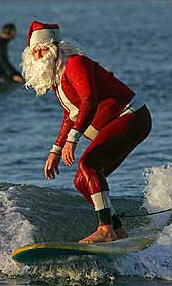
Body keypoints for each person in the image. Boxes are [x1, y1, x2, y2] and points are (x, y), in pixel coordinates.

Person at [21, 21, 152, 243]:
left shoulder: (74, 63)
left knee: (88, 164)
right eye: (35, 51)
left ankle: (105, 229)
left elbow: (88, 101)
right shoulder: (57, 79)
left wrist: (73, 139)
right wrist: (55, 150)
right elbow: (69, 115)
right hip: (125, 121)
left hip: (131, 117)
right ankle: (117, 230)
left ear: (55, 48)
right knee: (82, 182)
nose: (39, 55)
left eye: (43, 49)